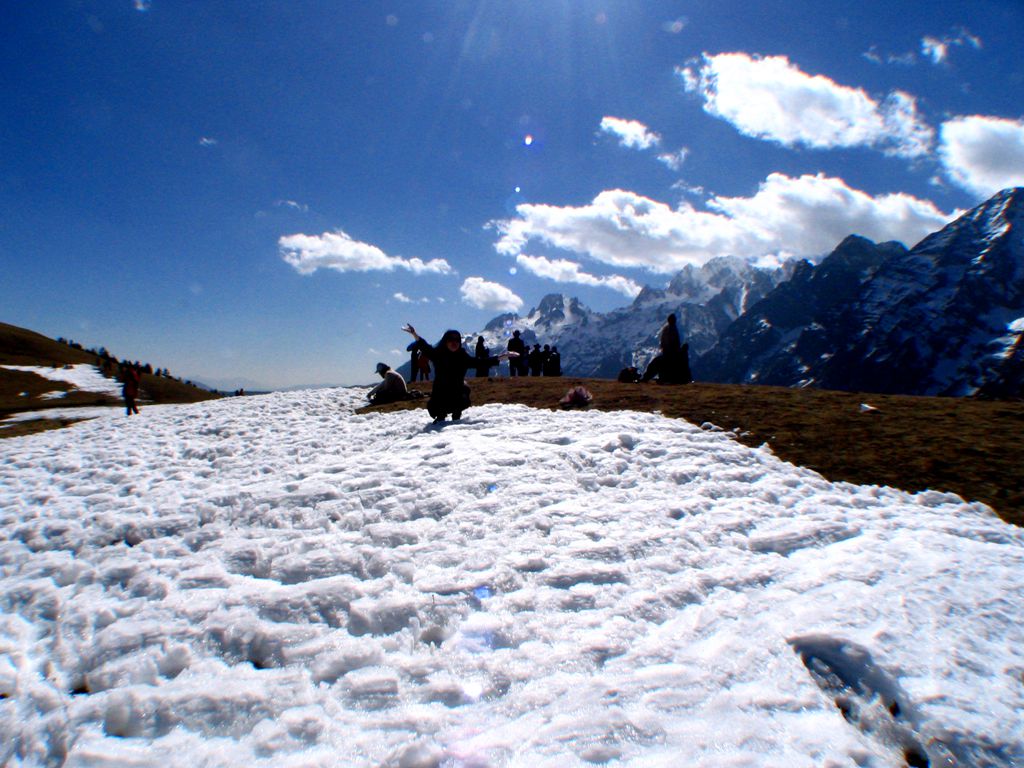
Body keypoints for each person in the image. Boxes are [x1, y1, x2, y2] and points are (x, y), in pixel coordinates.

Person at [403, 324, 515, 422]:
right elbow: (425, 347)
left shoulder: (462, 356)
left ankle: (456, 414)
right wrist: (414, 334)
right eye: (451, 340)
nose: (454, 343)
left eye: (457, 340)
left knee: (464, 388)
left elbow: (479, 362)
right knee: (439, 410)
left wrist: (500, 358)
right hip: (440, 395)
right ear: (445, 341)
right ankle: (441, 417)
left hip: (457, 394)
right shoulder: (438, 354)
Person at [642, 313, 691, 384]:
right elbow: (671, 342)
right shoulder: (670, 328)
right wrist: (673, 350)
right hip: (670, 352)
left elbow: (664, 341)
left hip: (669, 352)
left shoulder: (667, 328)